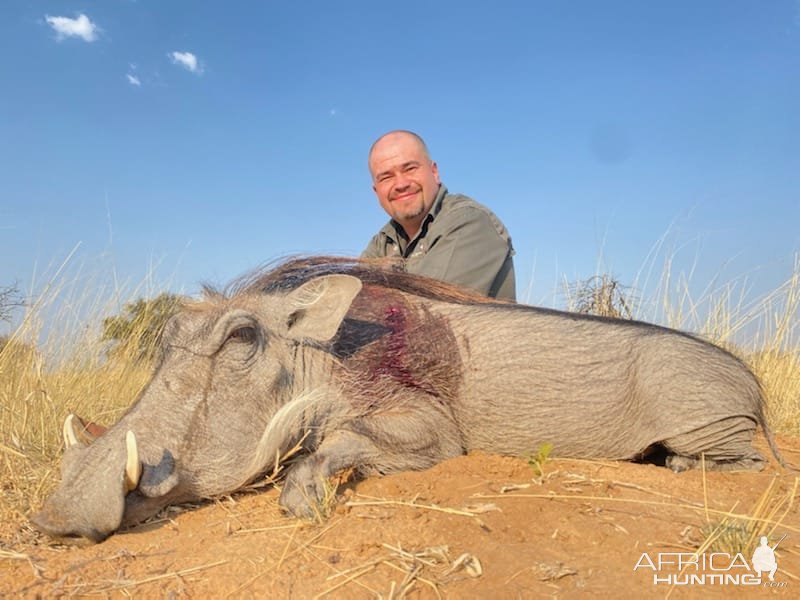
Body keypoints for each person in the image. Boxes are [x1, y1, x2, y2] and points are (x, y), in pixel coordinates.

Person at [361, 130, 516, 301]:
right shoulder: (381, 243)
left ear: (434, 172)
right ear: (376, 192)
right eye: (386, 177)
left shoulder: (467, 221)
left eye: (410, 169)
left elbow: (428, 313)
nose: (401, 184)